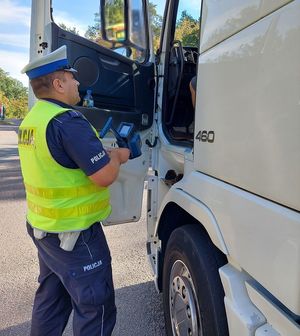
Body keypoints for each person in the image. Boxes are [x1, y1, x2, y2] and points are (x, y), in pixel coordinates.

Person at [19, 45, 130, 336]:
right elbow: (104, 176)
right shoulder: (67, 121)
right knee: (96, 307)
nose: (78, 83)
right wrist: (117, 156)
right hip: (76, 234)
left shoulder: (32, 120)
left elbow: (58, 163)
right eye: (72, 78)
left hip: (45, 228)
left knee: (52, 300)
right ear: (58, 83)